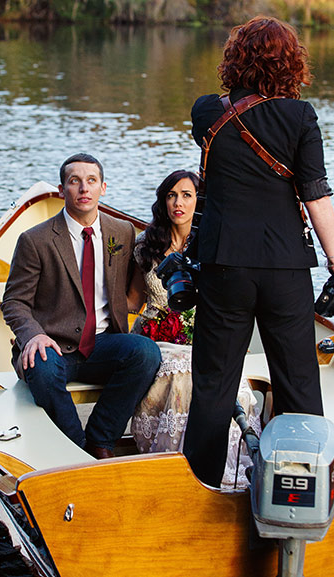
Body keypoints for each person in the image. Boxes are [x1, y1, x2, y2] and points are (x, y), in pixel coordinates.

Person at [183, 15, 334, 488]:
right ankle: (301, 485)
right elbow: (316, 195)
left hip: (224, 265)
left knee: (214, 383)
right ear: (291, 63)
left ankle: (199, 489)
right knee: (297, 381)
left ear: (235, 59)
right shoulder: (300, 117)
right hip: (284, 267)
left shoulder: (207, 112)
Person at [1, 153, 161, 459]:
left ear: (103, 188)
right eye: (75, 181)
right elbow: (14, 301)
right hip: (53, 344)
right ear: (62, 190)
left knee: (145, 353)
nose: (84, 188)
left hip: (103, 343)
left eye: (91, 181)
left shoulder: (122, 232)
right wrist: (33, 335)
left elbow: (134, 288)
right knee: (41, 366)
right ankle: (76, 447)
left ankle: (101, 440)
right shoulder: (36, 240)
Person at [128, 170, 261, 488]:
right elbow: (133, 300)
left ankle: (218, 461)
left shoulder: (215, 243)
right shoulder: (146, 246)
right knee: (183, 372)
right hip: (156, 337)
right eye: (171, 195)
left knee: (226, 378)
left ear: (200, 202)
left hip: (205, 334)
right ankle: (175, 461)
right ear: (163, 202)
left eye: (187, 195)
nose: (179, 202)